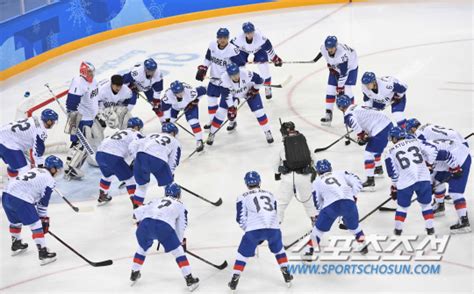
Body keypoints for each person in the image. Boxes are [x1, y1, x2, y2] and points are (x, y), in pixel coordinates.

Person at [384, 127, 460, 235]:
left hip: (405, 182)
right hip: (423, 178)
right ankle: (430, 229)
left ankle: (398, 230)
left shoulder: (389, 152)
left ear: (395, 138)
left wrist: (395, 187)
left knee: (402, 207)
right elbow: (433, 149)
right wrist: (429, 163)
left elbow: (393, 174)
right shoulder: (415, 141)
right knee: (426, 205)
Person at [228, 171, 293, 292]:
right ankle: (286, 273)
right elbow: (275, 212)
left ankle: (235, 278)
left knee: (242, 255)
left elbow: (240, 218)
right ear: (259, 182)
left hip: (253, 231)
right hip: (274, 229)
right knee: (279, 250)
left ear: (246, 183)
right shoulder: (270, 194)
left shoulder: (242, 196)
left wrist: (249, 230)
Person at [130, 183, 199, 291]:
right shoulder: (180, 205)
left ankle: (134, 272)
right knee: (178, 252)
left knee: (142, 248)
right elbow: (181, 225)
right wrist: (179, 241)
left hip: (145, 224)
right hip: (163, 227)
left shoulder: (156, 200)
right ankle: (189, 279)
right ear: (178, 194)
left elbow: (137, 212)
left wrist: (140, 223)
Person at [1, 155, 63, 265]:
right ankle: (43, 253)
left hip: (6, 195)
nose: (58, 172)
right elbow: (43, 203)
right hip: (20, 198)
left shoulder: (35, 169)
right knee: (36, 225)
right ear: (53, 169)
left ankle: (16, 244)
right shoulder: (49, 180)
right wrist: (43, 219)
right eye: (58, 169)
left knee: (15, 221)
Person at [306, 159, 367, 256]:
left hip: (331, 207)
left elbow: (317, 201)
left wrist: (319, 214)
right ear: (330, 168)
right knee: (354, 227)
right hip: (348, 204)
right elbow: (357, 181)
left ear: (317, 172)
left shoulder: (316, 182)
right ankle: (363, 244)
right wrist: (353, 195)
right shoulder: (341, 173)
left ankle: (309, 249)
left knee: (318, 230)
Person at [206, 63, 273, 145]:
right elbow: (227, 96)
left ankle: (267, 131)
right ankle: (212, 133)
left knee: (259, 112)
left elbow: (260, 80)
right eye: (233, 75)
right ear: (228, 74)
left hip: (248, 91)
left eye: (237, 74)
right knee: (221, 112)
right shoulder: (224, 80)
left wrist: (255, 89)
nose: (236, 77)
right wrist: (231, 108)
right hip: (233, 95)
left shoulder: (246, 73)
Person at [336, 95, 393, 190]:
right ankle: (378, 169)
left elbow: (353, 122)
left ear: (340, 107)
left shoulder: (348, 114)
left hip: (380, 129)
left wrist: (361, 135)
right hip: (386, 124)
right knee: (374, 146)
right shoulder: (357, 106)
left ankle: (370, 181)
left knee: (368, 153)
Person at [195, 28, 246, 127]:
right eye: (220, 37)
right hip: (214, 79)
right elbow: (208, 59)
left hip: (227, 82)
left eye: (225, 38)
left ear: (228, 38)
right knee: (211, 100)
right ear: (217, 38)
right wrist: (203, 68)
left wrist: (236, 78)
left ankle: (232, 121)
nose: (222, 40)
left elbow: (241, 66)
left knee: (228, 104)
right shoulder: (212, 45)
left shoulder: (232, 50)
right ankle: (212, 120)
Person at [273, 121, 317, 225]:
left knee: (281, 203)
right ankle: (315, 219)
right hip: (305, 176)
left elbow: (275, 164)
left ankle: (276, 224)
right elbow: (314, 159)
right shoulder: (303, 141)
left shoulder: (282, 146)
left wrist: (277, 173)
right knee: (308, 200)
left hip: (289, 178)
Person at [129, 123, 181, 207]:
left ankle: (137, 213)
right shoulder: (175, 142)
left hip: (140, 157)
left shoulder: (151, 134)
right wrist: (170, 175)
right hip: (158, 160)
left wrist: (136, 157)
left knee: (142, 186)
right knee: (170, 184)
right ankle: (171, 207)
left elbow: (133, 144)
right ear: (173, 133)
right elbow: (173, 161)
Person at [95, 117, 144, 206]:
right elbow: (140, 147)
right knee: (130, 179)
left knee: (107, 175)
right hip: (113, 156)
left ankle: (102, 196)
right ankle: (136, 204)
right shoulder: (136, 133)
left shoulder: (118, 132)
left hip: (99, 154)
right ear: (137, 127)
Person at [426, 138, 471, 233]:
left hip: (460, 159)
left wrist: (455, 168)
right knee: (437, 181)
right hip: (448, 159)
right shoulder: (419, 153)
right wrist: (429, 185)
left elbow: (445, 154)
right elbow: (430, 173)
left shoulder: (428, 153)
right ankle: (440, 205)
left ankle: (464, 222)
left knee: (455, 192)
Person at [65, 61, 99, 179]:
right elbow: (71, 102)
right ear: (83, 72)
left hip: (91, 117)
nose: (92, 74)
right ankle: (71, 168)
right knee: (80, 143)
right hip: (82, 118)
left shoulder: (93, 81)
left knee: (84, 143)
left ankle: (72, 165)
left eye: (92, 72)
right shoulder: (78, 82)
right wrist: (73, 119)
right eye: (89, 72)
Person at [313, 36, 358, 125]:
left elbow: (344, 73)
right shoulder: (324, 48)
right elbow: (322, 52)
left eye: (332, 48)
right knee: (330, 89)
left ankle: (351, 115)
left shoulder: (342, 54)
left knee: (347, 90)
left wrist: (340, 87)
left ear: (336, 46)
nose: (330, 50)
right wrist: (315, 60)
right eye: (328, 48)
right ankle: (328, 113)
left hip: (350, 67)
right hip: (337, 67)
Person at [0, 109, 58, 178]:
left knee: (14, 161)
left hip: (4, 134)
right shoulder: (41, 130)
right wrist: (40, 167)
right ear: (49, 121)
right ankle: (14, 186)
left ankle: (12, 172)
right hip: (7, 143)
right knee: (25, 170)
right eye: (53, 121)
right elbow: (38, 152)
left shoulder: (35, 118)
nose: (54, 123)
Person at [231, 22, 283, 99]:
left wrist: (274, 58)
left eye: (251, 32)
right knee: (240, 70)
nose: (250, 34)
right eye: (247, 33)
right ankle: (244, 89)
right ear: (244, 33)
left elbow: (269, 48)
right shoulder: (239, 38)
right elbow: (230, 48)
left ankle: (267, 88)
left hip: (258, 50)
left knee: (264, 69)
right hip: (243, 51)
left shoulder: (260, 38)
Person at [161, 81, 207, 152]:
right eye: (177, 93)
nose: (180, 94)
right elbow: (165, 109)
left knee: (193, 121)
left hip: (189, 105)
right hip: (175, 107)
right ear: (173, 92)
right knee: (169, 125)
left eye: (181, 91)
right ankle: (170, 140)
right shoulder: (168, 96)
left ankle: (199, 140)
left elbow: (204, 89)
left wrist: (196, 100)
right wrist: (167, 120)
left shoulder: (190, 92)